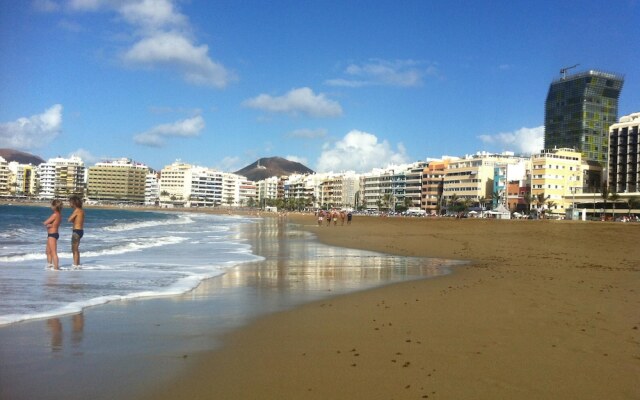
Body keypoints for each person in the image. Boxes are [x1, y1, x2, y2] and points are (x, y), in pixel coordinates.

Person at [43, 200, 62, 270]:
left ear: (54, 207)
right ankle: (50, 265)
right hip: (53, 234)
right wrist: (51, 224)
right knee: (48, 251)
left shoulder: (54, 215)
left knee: (53, 252)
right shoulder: (59, 215)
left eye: (51, 205)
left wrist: (49, 224)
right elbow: (55, 224)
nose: (51, 206)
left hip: (52, 234)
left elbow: (45, 223)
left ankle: (56, 267)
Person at [68, 195, 85, 268]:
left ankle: (75, 264)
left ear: (74, 203)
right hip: (80, 230)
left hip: (76, 231)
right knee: (76, 248)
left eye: (70, 202)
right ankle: (77, 263)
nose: (69, 204)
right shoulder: (82, 211)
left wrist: (73, 221)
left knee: (74, 248)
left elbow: (69, 219)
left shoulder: (77, 210)